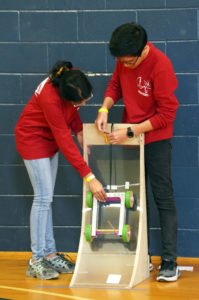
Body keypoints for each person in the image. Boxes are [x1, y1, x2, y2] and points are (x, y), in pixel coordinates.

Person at [95, 23, 179, 282]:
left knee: (162, 197)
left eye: (129, 62)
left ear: (143, 51)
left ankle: (169, 261)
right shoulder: (124, 59)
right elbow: (115, 85)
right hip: (129, 137)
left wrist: (131, 132)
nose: (125, 65)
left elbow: (167, 114)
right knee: (135, 197)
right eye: (121, 61)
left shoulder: (160, 65)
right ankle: (143, 256)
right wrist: (105, 108)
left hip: (155, 139)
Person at [15, 60, 107, 280]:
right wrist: (89, 176)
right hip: (33, 140)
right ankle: (36, 260)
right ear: (66, 95)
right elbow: (64, 141)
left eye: (87, 98)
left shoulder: (71, 78)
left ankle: (50, 254)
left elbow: (72, 111)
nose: (83, 104)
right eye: (81, 101)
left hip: (49, 143)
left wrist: (79, 131)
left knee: (47, 198)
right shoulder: (49, 97)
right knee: (43, 198)